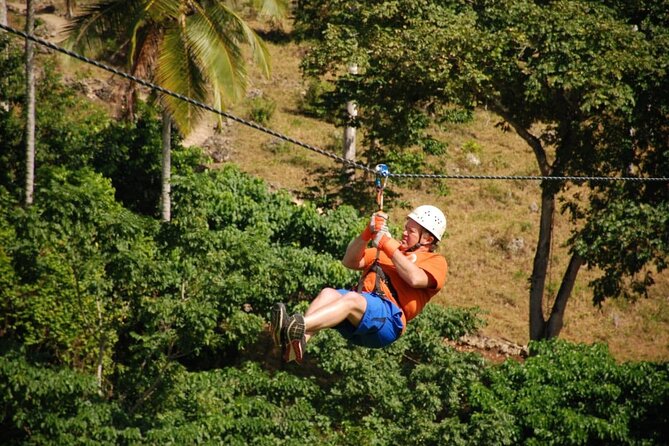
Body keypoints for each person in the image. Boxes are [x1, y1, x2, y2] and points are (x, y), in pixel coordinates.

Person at [271, 205, 448, 363]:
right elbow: (349, 261)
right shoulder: (387, 251)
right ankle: (298, 342)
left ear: (427, 239)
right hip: (361, 313)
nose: (404, 233)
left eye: (411, 231)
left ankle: (293, 327)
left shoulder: (435, 261)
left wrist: (387, 244)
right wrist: (367, 233)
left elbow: (415, 279)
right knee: (328, 293)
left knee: (351, 299)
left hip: (388, 320)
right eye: (405, 228)